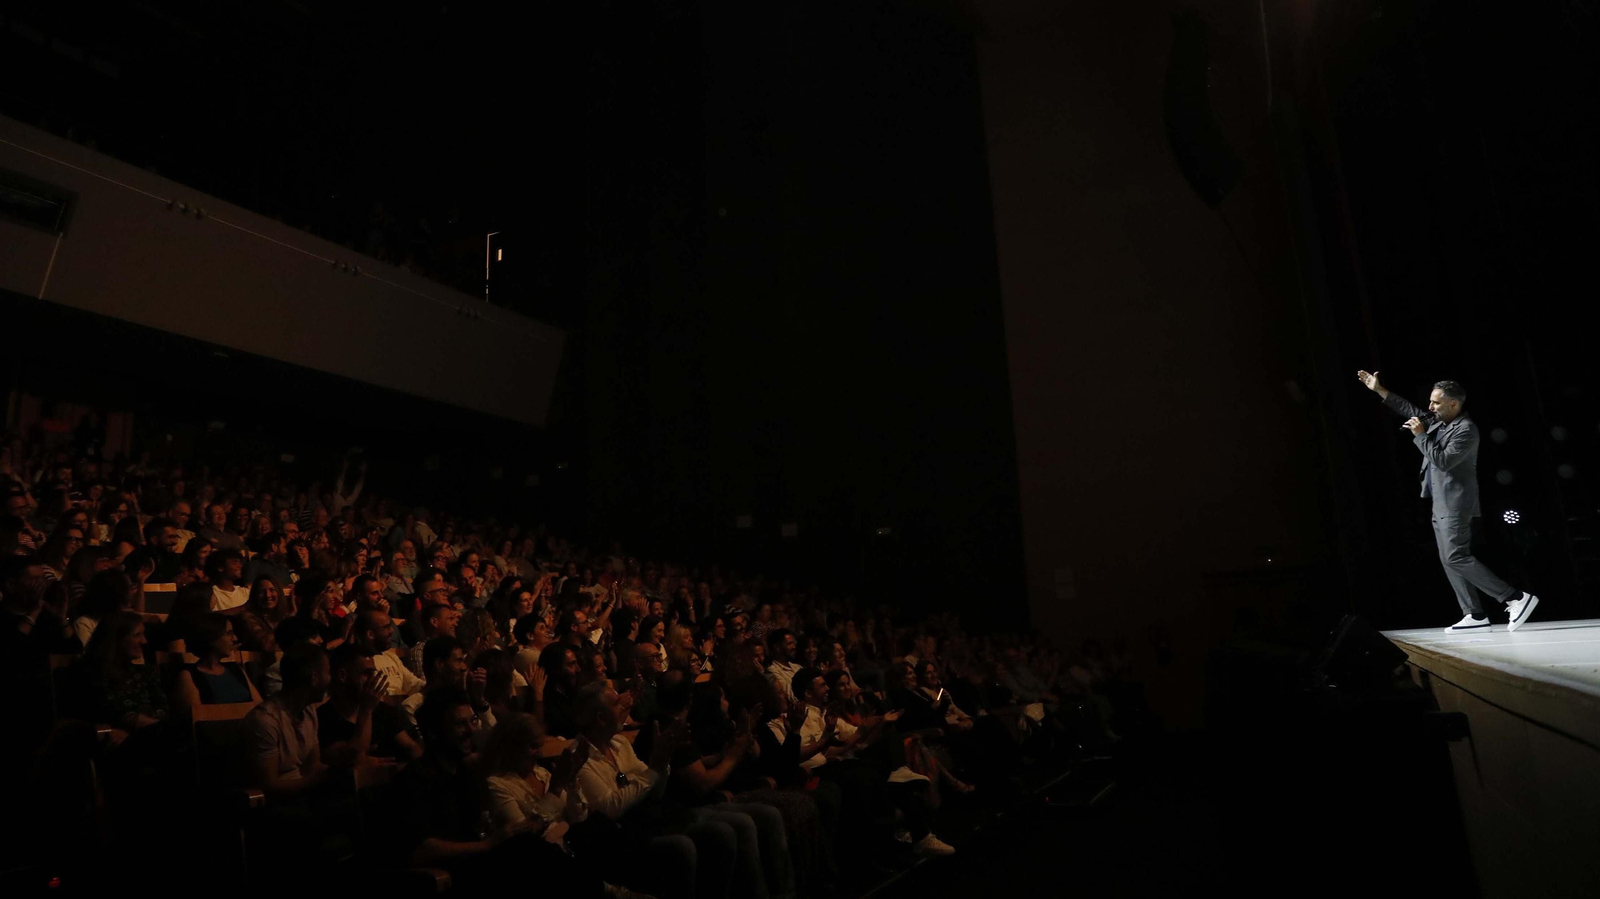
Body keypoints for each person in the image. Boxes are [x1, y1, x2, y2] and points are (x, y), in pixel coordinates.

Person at [1357, 371, 1540, 631]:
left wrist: (1419, 436)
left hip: (1457, 502)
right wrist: (1379, 390)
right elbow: (1407, 408)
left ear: (1454, 404)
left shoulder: (1466, 430)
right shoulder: (1437, 421)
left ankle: (1515, 597)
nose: (1430, 407)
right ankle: (1475, 614)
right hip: (1440, 501)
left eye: (1436, 403)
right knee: (1448, 558)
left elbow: (1443, 461)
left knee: (1456, 555)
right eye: (1430, 402)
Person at [171, 613, 260, 716]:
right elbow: (198, 720)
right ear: (212, 637)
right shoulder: (189, 676)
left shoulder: (235, 669)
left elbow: (259, 707)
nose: (234, 638)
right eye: (229, 633)